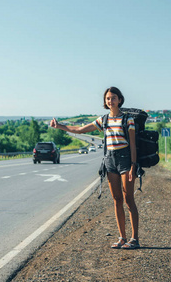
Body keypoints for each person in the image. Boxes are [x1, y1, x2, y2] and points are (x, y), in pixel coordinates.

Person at [50, 86, 140, 249]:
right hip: (109, 160)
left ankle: (134, 239)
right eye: (107, 98)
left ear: (120, 100)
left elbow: (132, 144)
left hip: (125, 160)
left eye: (113, 98)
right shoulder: (103, 120)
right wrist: (60, 126)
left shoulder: (128, 120)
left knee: (128, 199)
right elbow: (79, 129)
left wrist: (133, 166)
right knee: (117, 200)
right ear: (105, 102)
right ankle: (122, 238)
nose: (110, 100)